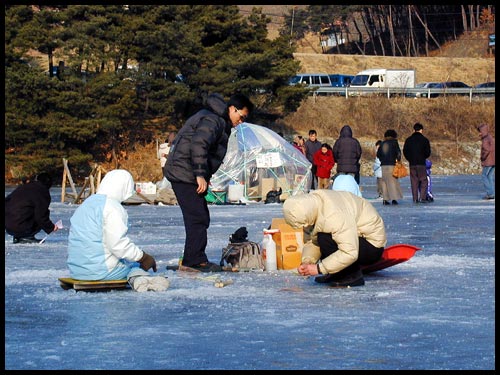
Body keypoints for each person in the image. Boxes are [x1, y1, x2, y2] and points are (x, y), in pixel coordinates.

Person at [165, 93, 254, 272]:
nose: (241, 121)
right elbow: (199, 145)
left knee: (199, 216)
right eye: (241, 116)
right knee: (197, 216)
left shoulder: (218, 120)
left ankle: (193, 257)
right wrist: (199, 174)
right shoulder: (214, 120)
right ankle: (194, 260)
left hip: (187, 172)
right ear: (232, 109)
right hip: (184, 173)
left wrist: (204, 175)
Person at [67, 169, 169, 292]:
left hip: (77, 270)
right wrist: (143, 257)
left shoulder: (86, 204)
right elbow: (118, 245)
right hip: (100, 271)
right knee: (134, 266)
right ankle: (139, 279)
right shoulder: (112, 207)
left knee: (124, 261)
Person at [283, 189, 386, 287]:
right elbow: (312, 241)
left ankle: (351, 275)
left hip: (372, 246)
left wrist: (319, 269)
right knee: (322, 237)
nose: (304, 227)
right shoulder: (313, 207)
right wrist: (308, 261)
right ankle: (336, 273)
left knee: (325, 237)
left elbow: (349, 252)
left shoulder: (334, 215)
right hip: (355, 240)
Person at [5, 172, 59, 244]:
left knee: (25, 210)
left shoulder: (23, 187)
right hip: (20, 226)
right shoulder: (42, 192)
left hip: (8, 225)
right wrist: (51, 227)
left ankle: (18, 236)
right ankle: (26, 236)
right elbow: (41, 215)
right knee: (37, 213)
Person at [403, 123, 432, 203]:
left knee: (414, 181)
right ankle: (422, 197)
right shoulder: (425, 140)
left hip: (412, 163)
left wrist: (409, 159)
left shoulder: (408, 140)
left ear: (414, 130)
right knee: (423, 180)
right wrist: (423, 157)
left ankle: (415, 198)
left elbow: (405, 151)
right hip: (421, 163)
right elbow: (428, 152)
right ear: (421, 130)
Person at [377, 129, 404, 205]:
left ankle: (385, 199)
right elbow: (398, 153)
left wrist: (382, 159)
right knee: (393, 181)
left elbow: (378, 154)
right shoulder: (394, 143)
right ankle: (394, 199)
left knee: (384, 182)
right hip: (391, 164)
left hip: (383, 165)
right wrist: (398, 160)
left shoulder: (382, 143)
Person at [477, 123, 495, 200]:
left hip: (488, 161)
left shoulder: (485, 139)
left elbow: (487, 149)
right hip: (493, 160)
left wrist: (483, 157)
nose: (479, 133)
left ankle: (490, 193)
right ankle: (492, 193)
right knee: (489, 176)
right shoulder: (490, 137)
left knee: (484, 176)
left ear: (483, 131)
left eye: (480, 131)